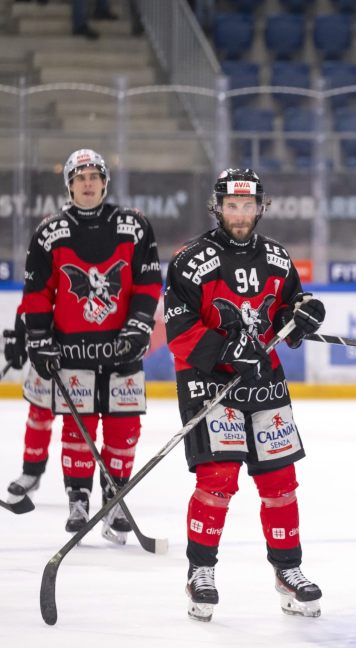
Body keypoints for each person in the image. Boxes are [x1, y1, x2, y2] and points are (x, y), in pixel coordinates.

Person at [164, 169, 327, 621]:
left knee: (279, 483)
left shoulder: (276, 257)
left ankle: (288, 570)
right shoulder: (191, 259)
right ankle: (201, 570)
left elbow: (287, 313)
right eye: (232, 206)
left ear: (260, 207)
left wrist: (303, 313)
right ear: (218, 207)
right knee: (217, 480)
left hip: (265, 381)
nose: (240, 215)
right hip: (210, 383)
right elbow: (178, 330)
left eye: (247, 206)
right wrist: (227, 352)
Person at [21, 148, 160, 543]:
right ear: (69, 185)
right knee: (77, 430)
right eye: (79, 177)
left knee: (124, 430)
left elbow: (149, 283)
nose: (87, 182)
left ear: (104, 182)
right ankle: (78, 499)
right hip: (72, 352)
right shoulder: (50, 232)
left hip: (123, 351)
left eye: (93, 176)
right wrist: (40, 340)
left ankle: (113, 500)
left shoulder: (133, 226)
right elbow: (37, 293)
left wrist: (137, 327)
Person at [4, 314, 56, 508]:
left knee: (83, 423)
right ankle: (31, 473)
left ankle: (81, 490)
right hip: (44, 349)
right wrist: (20, 336)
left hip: (84, 347)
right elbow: (30, 298)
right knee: (38, 414)